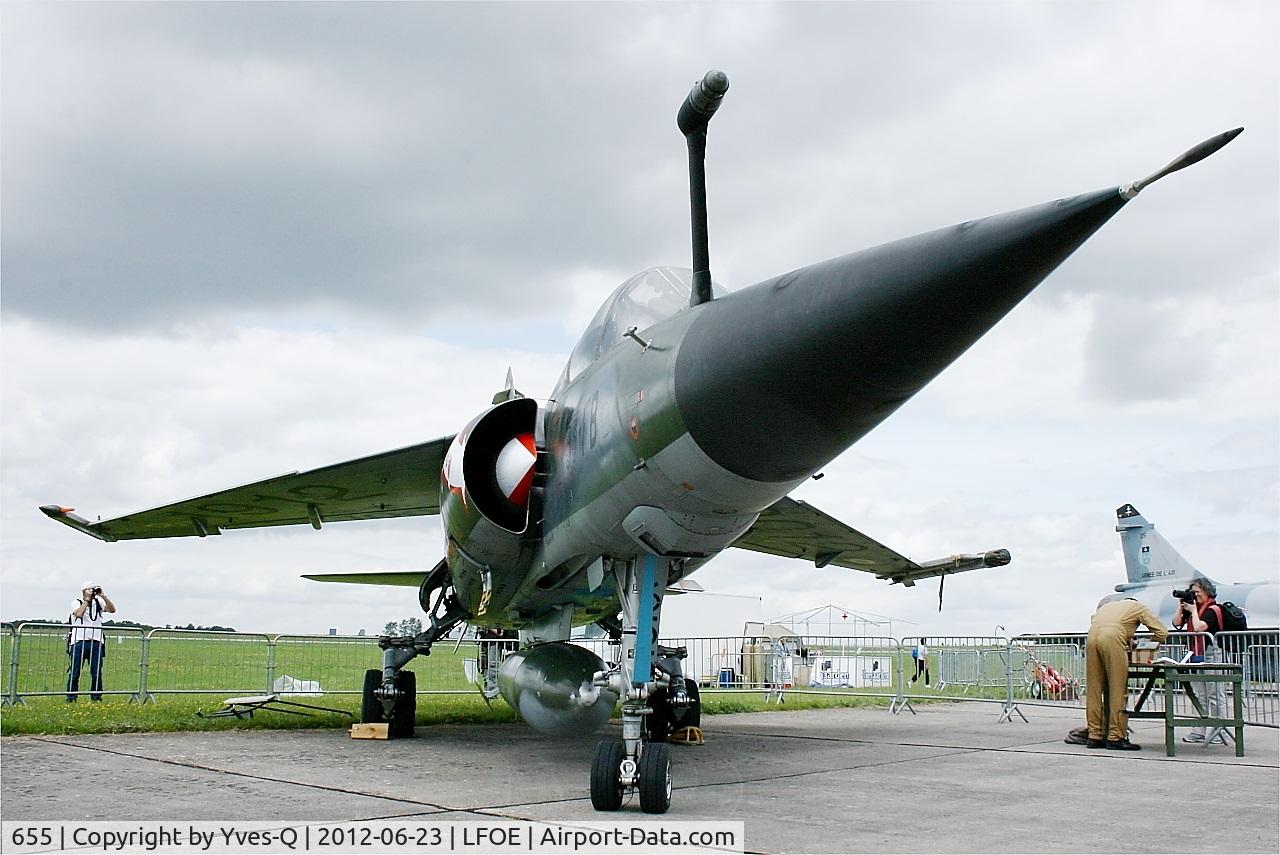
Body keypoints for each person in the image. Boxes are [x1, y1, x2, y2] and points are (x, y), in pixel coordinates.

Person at [1085, 598, 1167, 750]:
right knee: (1118, 689)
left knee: (1094, 690)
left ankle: (1094, 735)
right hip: (1112, 638)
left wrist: (1126, 636)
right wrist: (1146, 645)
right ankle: (1115, 737)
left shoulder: (1109, 607)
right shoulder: (1139, 607)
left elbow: (1101, 622)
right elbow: (1162, 632)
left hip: (1091, 637)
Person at [1172, 576, 1227, 744]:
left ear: (1207, 592)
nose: (1195, 596)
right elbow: (1176, 623)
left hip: (1212, 654)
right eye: (1192, 593)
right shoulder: (1192, 609)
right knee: (1199, 694)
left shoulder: (1214, 609)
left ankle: (1219, 730)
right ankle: (1199, 731)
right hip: (1195, 654)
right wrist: (1181, 606)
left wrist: (1194, 610)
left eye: (1197, 592)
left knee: (1215, 694)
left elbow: (1199, 627)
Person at [66, 582, 116, 702]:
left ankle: (96, 697)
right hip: (79, 642)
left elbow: (112, 610)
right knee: (75, 672)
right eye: (90, 589)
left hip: (96, 642)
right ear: (84, 591)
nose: (93, 592)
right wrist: (87, 601)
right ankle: (71, 697)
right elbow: (78, 614)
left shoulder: (99, 602)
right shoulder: (76, 602)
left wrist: (103, 596)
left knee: (96, 672)